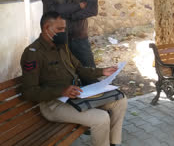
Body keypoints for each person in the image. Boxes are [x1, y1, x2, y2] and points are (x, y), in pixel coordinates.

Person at [20, 11, 127, 146]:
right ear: (46, 28)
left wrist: (102, 71)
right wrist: (61, 91)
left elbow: (79, 69)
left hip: (75, 96)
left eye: (64, 28)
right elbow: (29, 91)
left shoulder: (62, 47)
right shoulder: (33, 53)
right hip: (54, 105)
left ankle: (114, 143)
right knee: (101, 118)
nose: (64, 32)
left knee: (120, 100)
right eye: (60, 29)